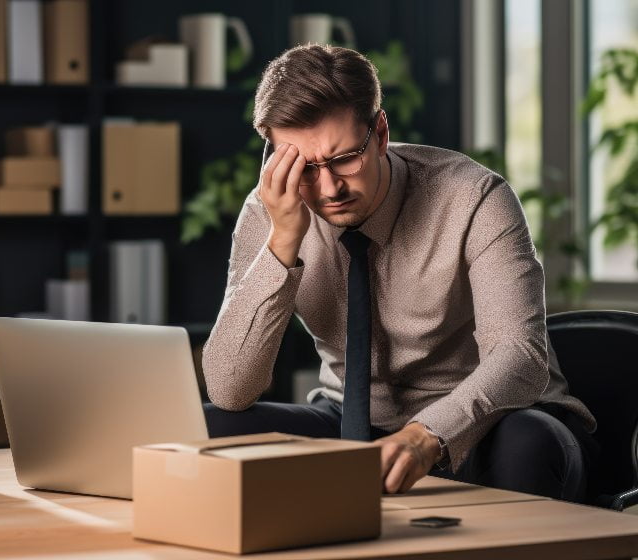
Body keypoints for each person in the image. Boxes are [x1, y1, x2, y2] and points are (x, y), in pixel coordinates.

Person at [201, 44, 598, 503]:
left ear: (381, 132)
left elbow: (520, 358)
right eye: (304, 167)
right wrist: (283, 241)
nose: (329, 188)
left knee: (527, 443)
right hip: (353, 423)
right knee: (213, 429)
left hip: (491, 422)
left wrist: (426, 434)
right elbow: (230, 389)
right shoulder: (269, 212)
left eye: (345, 158)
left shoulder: (474, 198)